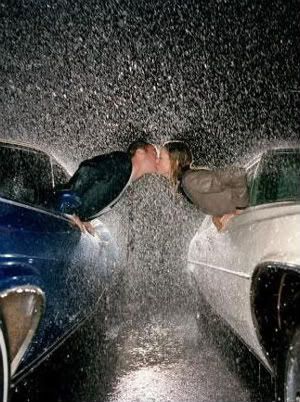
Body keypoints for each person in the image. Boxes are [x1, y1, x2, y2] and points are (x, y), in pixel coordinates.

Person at [56, 140, 158, 233]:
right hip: (55, 208)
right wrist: (68, 208)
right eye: (154, 152)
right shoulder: (121, 162)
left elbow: (96, 193)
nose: (157, 157)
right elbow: (88, 169)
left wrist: (83, 218)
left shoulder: (127, 175)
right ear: (140, 152)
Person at [156, 140, 249, 231]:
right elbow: (217, 194)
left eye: (161, 158)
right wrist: (218, 215)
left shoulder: (190, 180)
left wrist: (240, 209)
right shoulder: (185, 182)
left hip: (248, 212)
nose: (157, 161)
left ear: (175, 162)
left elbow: (238, 174)